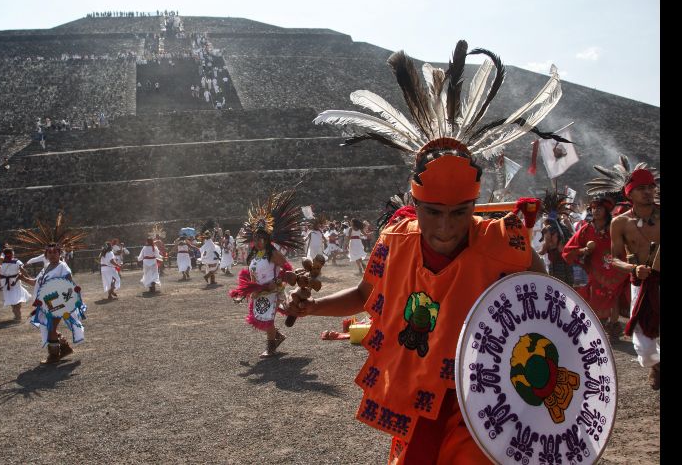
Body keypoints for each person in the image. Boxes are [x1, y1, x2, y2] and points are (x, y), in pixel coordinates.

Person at [292, 41, 562, 463]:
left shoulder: (501, 242)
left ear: (476, 204)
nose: (445, 227)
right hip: (418, 396)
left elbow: (546, 294)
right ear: (414, 204)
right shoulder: (394, 240)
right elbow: (366, 296)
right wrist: (312, 309)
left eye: (460, 212)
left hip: (486, 402)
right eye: (433, 212)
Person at [229, 190, 301, 358]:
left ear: (267, 239)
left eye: (262, 238)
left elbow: (287, 268)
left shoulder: (273, 253)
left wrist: (276, 282)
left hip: (272, 290)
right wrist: (244, 291)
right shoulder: (255, 255)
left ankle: (271, 348)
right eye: (256, 238)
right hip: (259, 291)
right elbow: (250, 273)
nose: (258, 241)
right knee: (261, 317)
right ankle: (278, 337)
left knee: (267, 319)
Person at [610, 168, 660, 390]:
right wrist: (633, 268)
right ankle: (656, 366)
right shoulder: (620, 223)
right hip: (640, 284)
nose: (648, 192)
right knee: (644, 348)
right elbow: (612, 259)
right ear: (629, 193)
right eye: (641, 188)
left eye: (651, 187)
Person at [562, 196, 629, 340]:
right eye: (593, 208)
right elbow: (570, 249)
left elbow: (628, 243)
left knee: (614, 298)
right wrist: (583, 250)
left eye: (599, 208)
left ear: (606, 210)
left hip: (617, 268)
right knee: (595, 298)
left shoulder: (615, 226)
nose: (596, 210)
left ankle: (613, 328)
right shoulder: (586, 229)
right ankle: (599, 326)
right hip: (596, 270)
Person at [22, 243, 80, 364]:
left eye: (55, 252)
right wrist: (22, 278)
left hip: (59, 303)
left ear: (60, 253)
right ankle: (65, 348)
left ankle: (54, 356)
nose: (52, 255)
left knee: (51, 328)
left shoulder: (62, 267)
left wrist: (63, 300)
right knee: (47, 326)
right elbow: (36, 283)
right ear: (46, 254)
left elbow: (68, 283)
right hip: (46, 304)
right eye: (50, 252)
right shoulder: (46, 267)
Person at [0, 246, 32, 320]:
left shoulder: (0, 263)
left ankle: (16, 313)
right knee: (17, 297)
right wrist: (29, 277)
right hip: (15, 282)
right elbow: (22, 270)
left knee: (11, 298)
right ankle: (17, 313)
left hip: (5, 283)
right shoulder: (17, 261)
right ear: (12, 253)